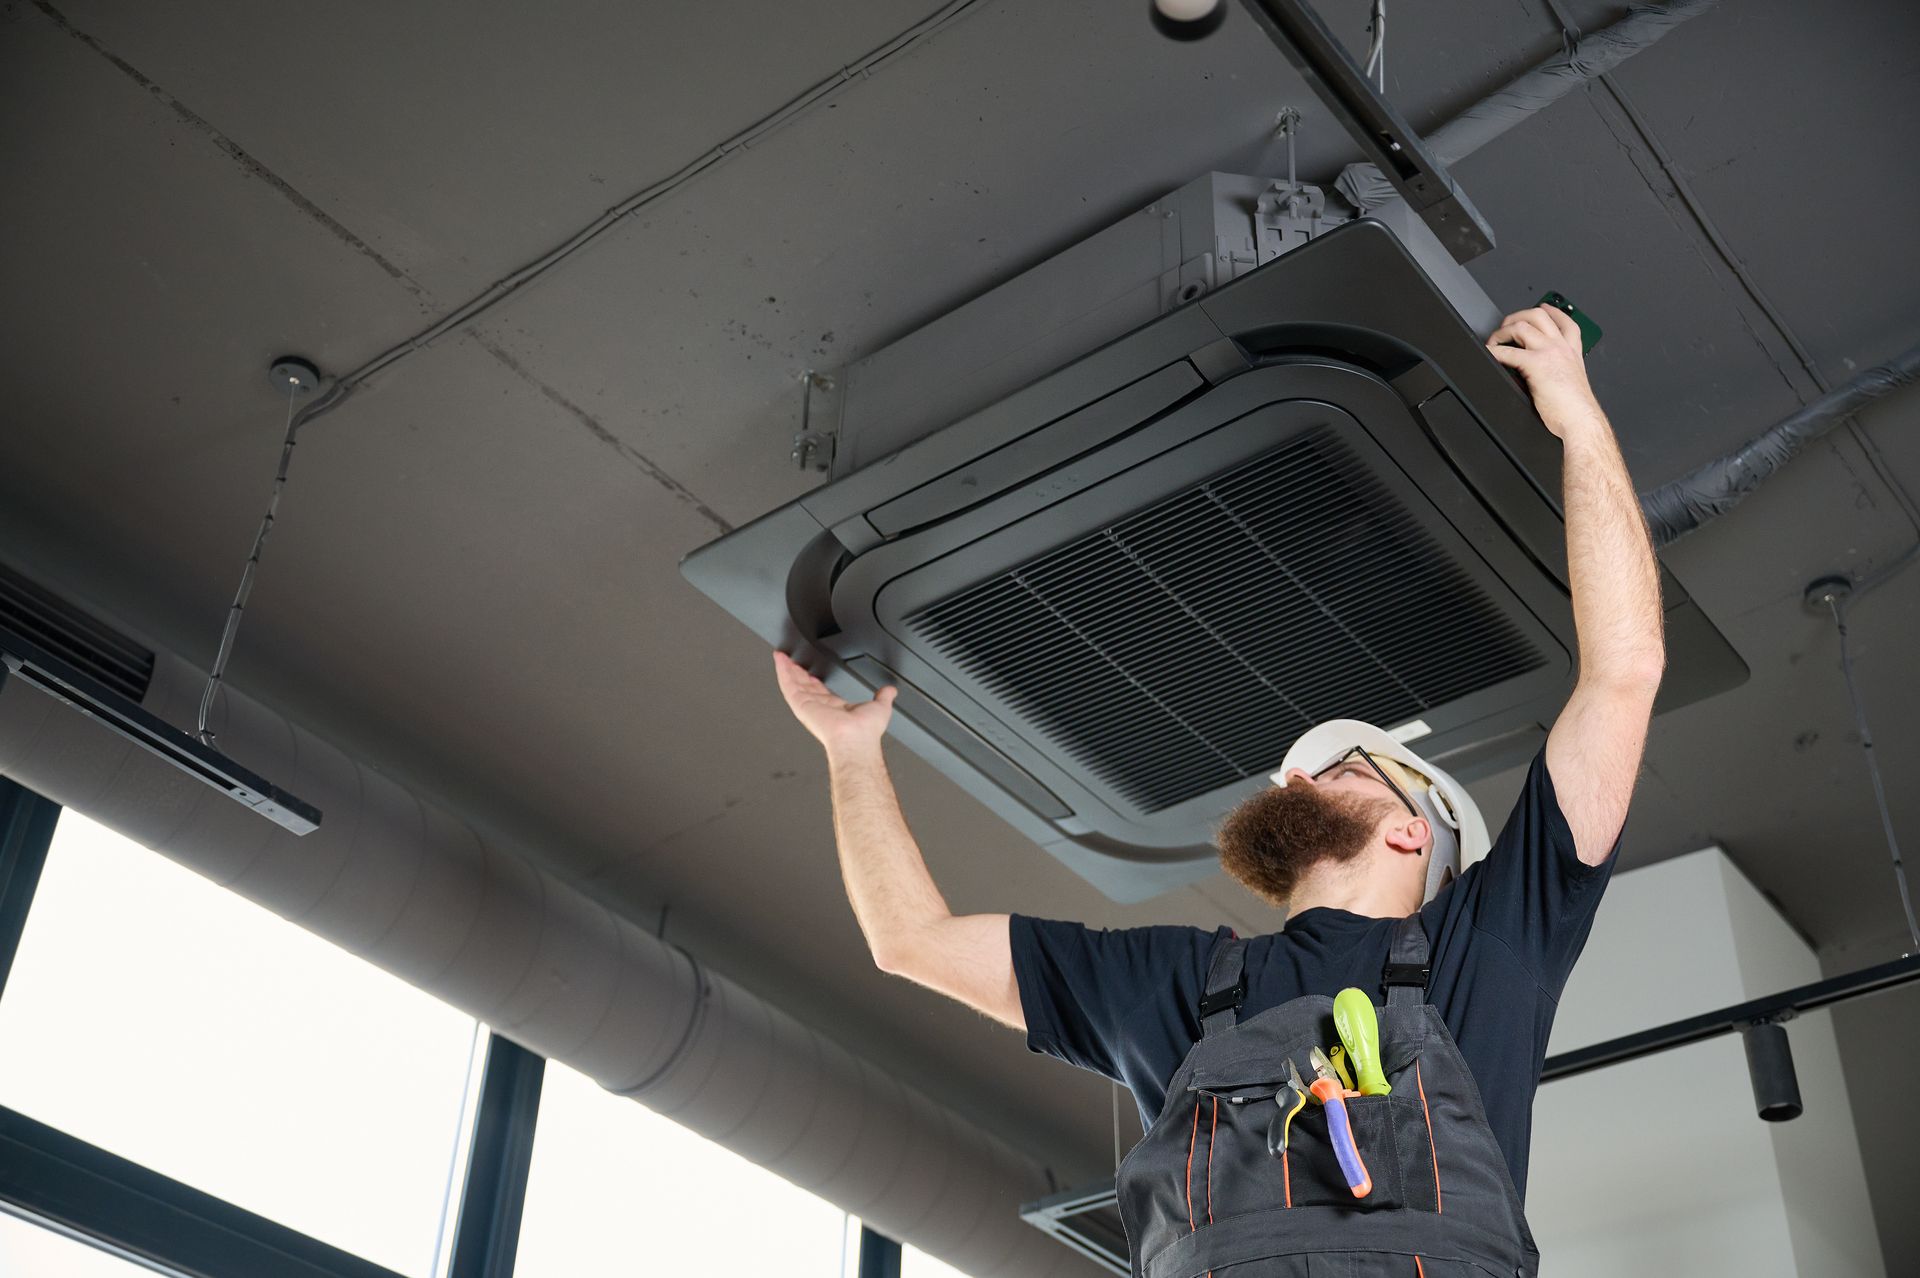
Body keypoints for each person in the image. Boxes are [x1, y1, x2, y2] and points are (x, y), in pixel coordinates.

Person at [773, 305, 1663, 1277]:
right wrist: (850, 750)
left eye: (1337, 767)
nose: (1294, 774)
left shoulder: (1488, 945)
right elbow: (913, 942)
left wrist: (1578, 417)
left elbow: (1621, 673)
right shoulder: (1178, 981)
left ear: (1414, 834)